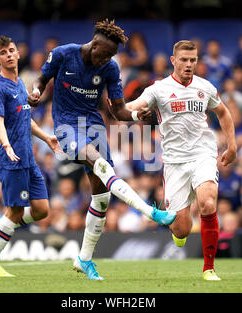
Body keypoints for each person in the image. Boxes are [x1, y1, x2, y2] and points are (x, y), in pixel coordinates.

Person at [30, 19, 177, 280]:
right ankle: (150, 212)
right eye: (106, 54)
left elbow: (119, 110)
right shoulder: (64, 54)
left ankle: (84, 259)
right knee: (100, 163)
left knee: (102, 197)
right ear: (94, 45)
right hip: (66, 126)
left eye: (112, 56)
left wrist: (137, 117)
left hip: (94, 127)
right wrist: (35, 92)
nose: (108, 60)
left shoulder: (109, 68)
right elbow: (41, 80)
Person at [118, 40, 237, 281]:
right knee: (181, 227)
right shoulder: (158, 89)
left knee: (207, 203)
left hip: (203, 153)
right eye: (183, 60)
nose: (188, 64)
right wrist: (128, 111)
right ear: (173, 61)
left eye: (193, 60)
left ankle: (209, 269)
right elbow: (131, 106)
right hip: (175, 163)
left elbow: (223, 112)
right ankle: (179, 232)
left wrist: (232, 145)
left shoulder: (205, 87)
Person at [0, 36, 58, 277]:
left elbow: (25, 118)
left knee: (42, 209)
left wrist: (46, 137)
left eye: (12, 50)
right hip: (12, 159)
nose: (9, 55)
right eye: (3, 53)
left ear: (18, 54)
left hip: (29, 159)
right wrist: (5, 144)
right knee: (14, 211)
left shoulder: (21, 84)